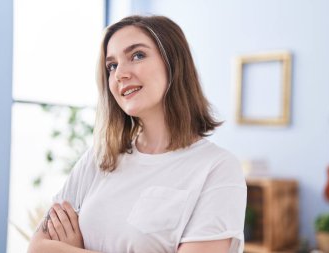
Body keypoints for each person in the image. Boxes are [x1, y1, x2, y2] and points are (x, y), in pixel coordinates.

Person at [28, 15, 247, 253]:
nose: (120, 73)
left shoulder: (217, 168)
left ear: (174, 63)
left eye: (137, 55)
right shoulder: (99, 159)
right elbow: (37, 248)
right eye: (111, 66)